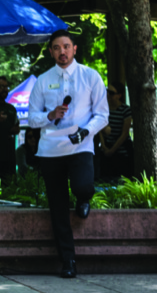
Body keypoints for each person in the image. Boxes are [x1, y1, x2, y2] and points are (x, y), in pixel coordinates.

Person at [28, 30, 108, 279]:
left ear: (74, 49)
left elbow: (102, 115)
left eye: (66, 46)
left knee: (83, 186)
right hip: (50, 150)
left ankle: (83, 199)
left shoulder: (90, 76)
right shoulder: (42, 80)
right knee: (58, 207)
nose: (61, 52)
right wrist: (50, 116)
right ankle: (68, 260)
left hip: (80, 145)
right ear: (51, 52)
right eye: (56, 48)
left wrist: (86, 132)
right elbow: (32, 118)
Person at [99, 82, 133, 182]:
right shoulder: (103, 109)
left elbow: (124, 133)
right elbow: (100, 129)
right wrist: (104, 147)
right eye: (107, 91)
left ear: (119, 95)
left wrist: (112, 150)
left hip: (121, 151)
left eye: (111, 93)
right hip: (105, 149)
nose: (108, 94)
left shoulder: (125, 110)